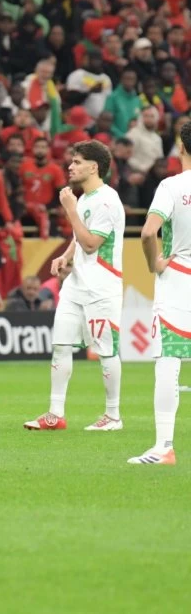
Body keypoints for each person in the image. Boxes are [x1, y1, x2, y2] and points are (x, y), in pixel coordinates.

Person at [25, 140, 125, 432]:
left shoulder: (107, 200)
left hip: (102, 286)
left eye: (77, 161)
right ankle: (55, 415)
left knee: (106, 351)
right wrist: (66, 256)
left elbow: (92, 244)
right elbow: (79, 238)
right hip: (76, 285)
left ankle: (113, 416)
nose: (70, 166)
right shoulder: (83, 199)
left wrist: (69, 209)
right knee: (60, 346)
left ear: (94, 167)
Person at [128, 121, 191, 465]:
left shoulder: (170, 186)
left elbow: (148, 233)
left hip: (180, 281)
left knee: (169, 360)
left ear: (180, 147)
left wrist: (155, 264)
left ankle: (164, 446)